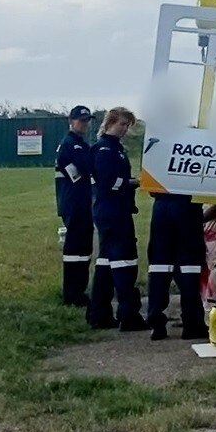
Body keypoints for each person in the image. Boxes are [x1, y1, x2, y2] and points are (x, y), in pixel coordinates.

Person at [86, 107, 148, 331]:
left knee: (105, 264)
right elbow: (107, 182)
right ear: (110, 123)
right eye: (121, 124)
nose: (124, 130)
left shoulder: (114, 148)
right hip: (113, 212)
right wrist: (131, 182)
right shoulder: (104, 150)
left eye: (127, 126)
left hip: (112, 211)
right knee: (125, 262)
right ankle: (128, 314)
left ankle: (99, 313)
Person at [146, 192, 208, 340]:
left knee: (159, 266)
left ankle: (156, 322)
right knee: (189, 266)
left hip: (161, 206)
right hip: (187, 204)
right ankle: (192, 323)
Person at [53, 105, 95, 307]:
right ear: (71, 120)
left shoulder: (81, 143)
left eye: (87, 120)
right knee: (75, 249)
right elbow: (82, 170)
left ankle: (79, 291)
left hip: (83, 202)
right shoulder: (69, 144)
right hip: (73, 202)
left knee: (83, 249)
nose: (84, 124)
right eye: (81, 120)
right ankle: (72, 294)